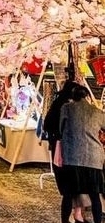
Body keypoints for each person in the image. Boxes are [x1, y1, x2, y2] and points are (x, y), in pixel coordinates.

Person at [59, 84, 105, 223]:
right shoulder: (96, 112)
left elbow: (61, 128)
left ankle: (64, 221)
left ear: (73, 96)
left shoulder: (66, 108)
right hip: (93, 158)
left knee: (68, 195)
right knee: (95, 195)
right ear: (87, 97)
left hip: (72, 157)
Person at [43, 80, 87, 223]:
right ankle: (70, 218)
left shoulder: (60, 104)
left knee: (71, 188)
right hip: (64, 150)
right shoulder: (65, 107)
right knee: (70, 188)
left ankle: (75, 216)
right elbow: (50, 125)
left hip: (63, 149)